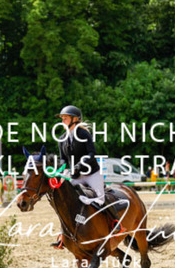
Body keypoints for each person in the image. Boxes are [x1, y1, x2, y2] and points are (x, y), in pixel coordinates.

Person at [51, 105, 123, 249]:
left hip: (91, 173)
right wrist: (60, 170)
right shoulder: (62, 138)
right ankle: (63, 235)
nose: (62, 121)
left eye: (65, 118)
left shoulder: (83, 134)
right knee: (64, 201)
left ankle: (116, 223)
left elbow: (91, 154)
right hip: (75, 176)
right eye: (62, 118)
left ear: (75, 119)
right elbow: (63, 159)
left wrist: (78, 165)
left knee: (100, 199)